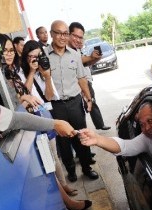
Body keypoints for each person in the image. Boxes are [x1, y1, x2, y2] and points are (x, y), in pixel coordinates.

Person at [2, 38, 92, 210]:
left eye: (38, 56)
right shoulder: (16, 72)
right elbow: (22, 98)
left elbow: (49, 96)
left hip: (44, 114)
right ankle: (65, 199)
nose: (36, 60)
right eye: (31, 57)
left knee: (52, 156)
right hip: (30, 120)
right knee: (47, 159)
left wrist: (47, 77)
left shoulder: (40, 72)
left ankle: (63, 188)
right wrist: (30, 73)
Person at [46, 20, 98, 182]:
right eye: (59, 33)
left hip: (75, 102)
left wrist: (88, 98)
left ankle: (87, 167)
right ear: (51, 34)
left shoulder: (75, 55)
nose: (62, 37)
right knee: (63, 140)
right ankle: (70, 171)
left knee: (81, 136)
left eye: (65, 33)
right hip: (56, 105)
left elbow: (82, 79)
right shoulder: (43, 55)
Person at [68, 22, 111, 131]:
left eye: (80, 38)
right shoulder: (63, 50)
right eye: (75, 36)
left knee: (91, 102)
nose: (78, 40)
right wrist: (90, 57)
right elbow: (78, 61)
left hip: (85, 81)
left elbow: (85, 63)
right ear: (68, 34)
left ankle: (99, 124)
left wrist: (96, 58)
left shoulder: (77, 49)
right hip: (72, 90)